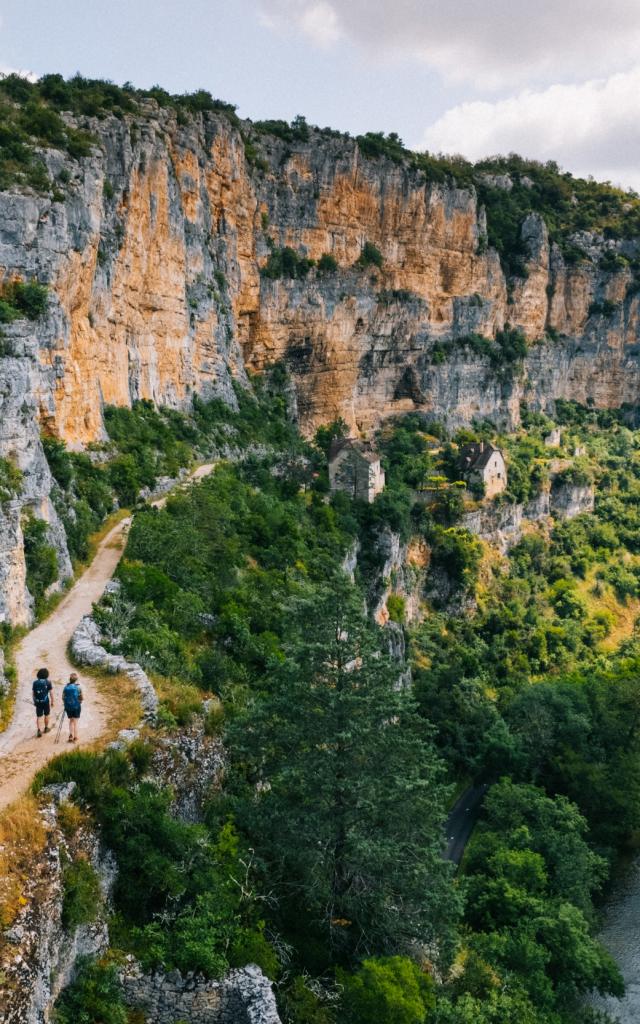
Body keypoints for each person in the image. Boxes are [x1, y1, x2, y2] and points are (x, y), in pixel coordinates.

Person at [32, 667, 54, 737]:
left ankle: (39, 730)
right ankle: (46, 728)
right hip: (46, 702)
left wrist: (34, 701)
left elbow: (33, 694)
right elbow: (51, 693)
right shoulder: (48, 682)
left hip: (38, 702)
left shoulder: (35, 683)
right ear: (47, 675)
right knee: (46, 715)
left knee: (39, 716)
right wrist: (52, 701)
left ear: (38, 674)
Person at [62, 672, 83, 743]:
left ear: (69, 680)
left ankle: (70, 736)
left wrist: (65, 704)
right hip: (76, 707)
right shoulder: (78, 687)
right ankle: (75, 737)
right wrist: (79, 702)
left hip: (68, 707)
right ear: (76, 680)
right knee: (75, 722)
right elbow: (81, 698)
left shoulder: (66, 687)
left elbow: (63, 697)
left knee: (71, 721)